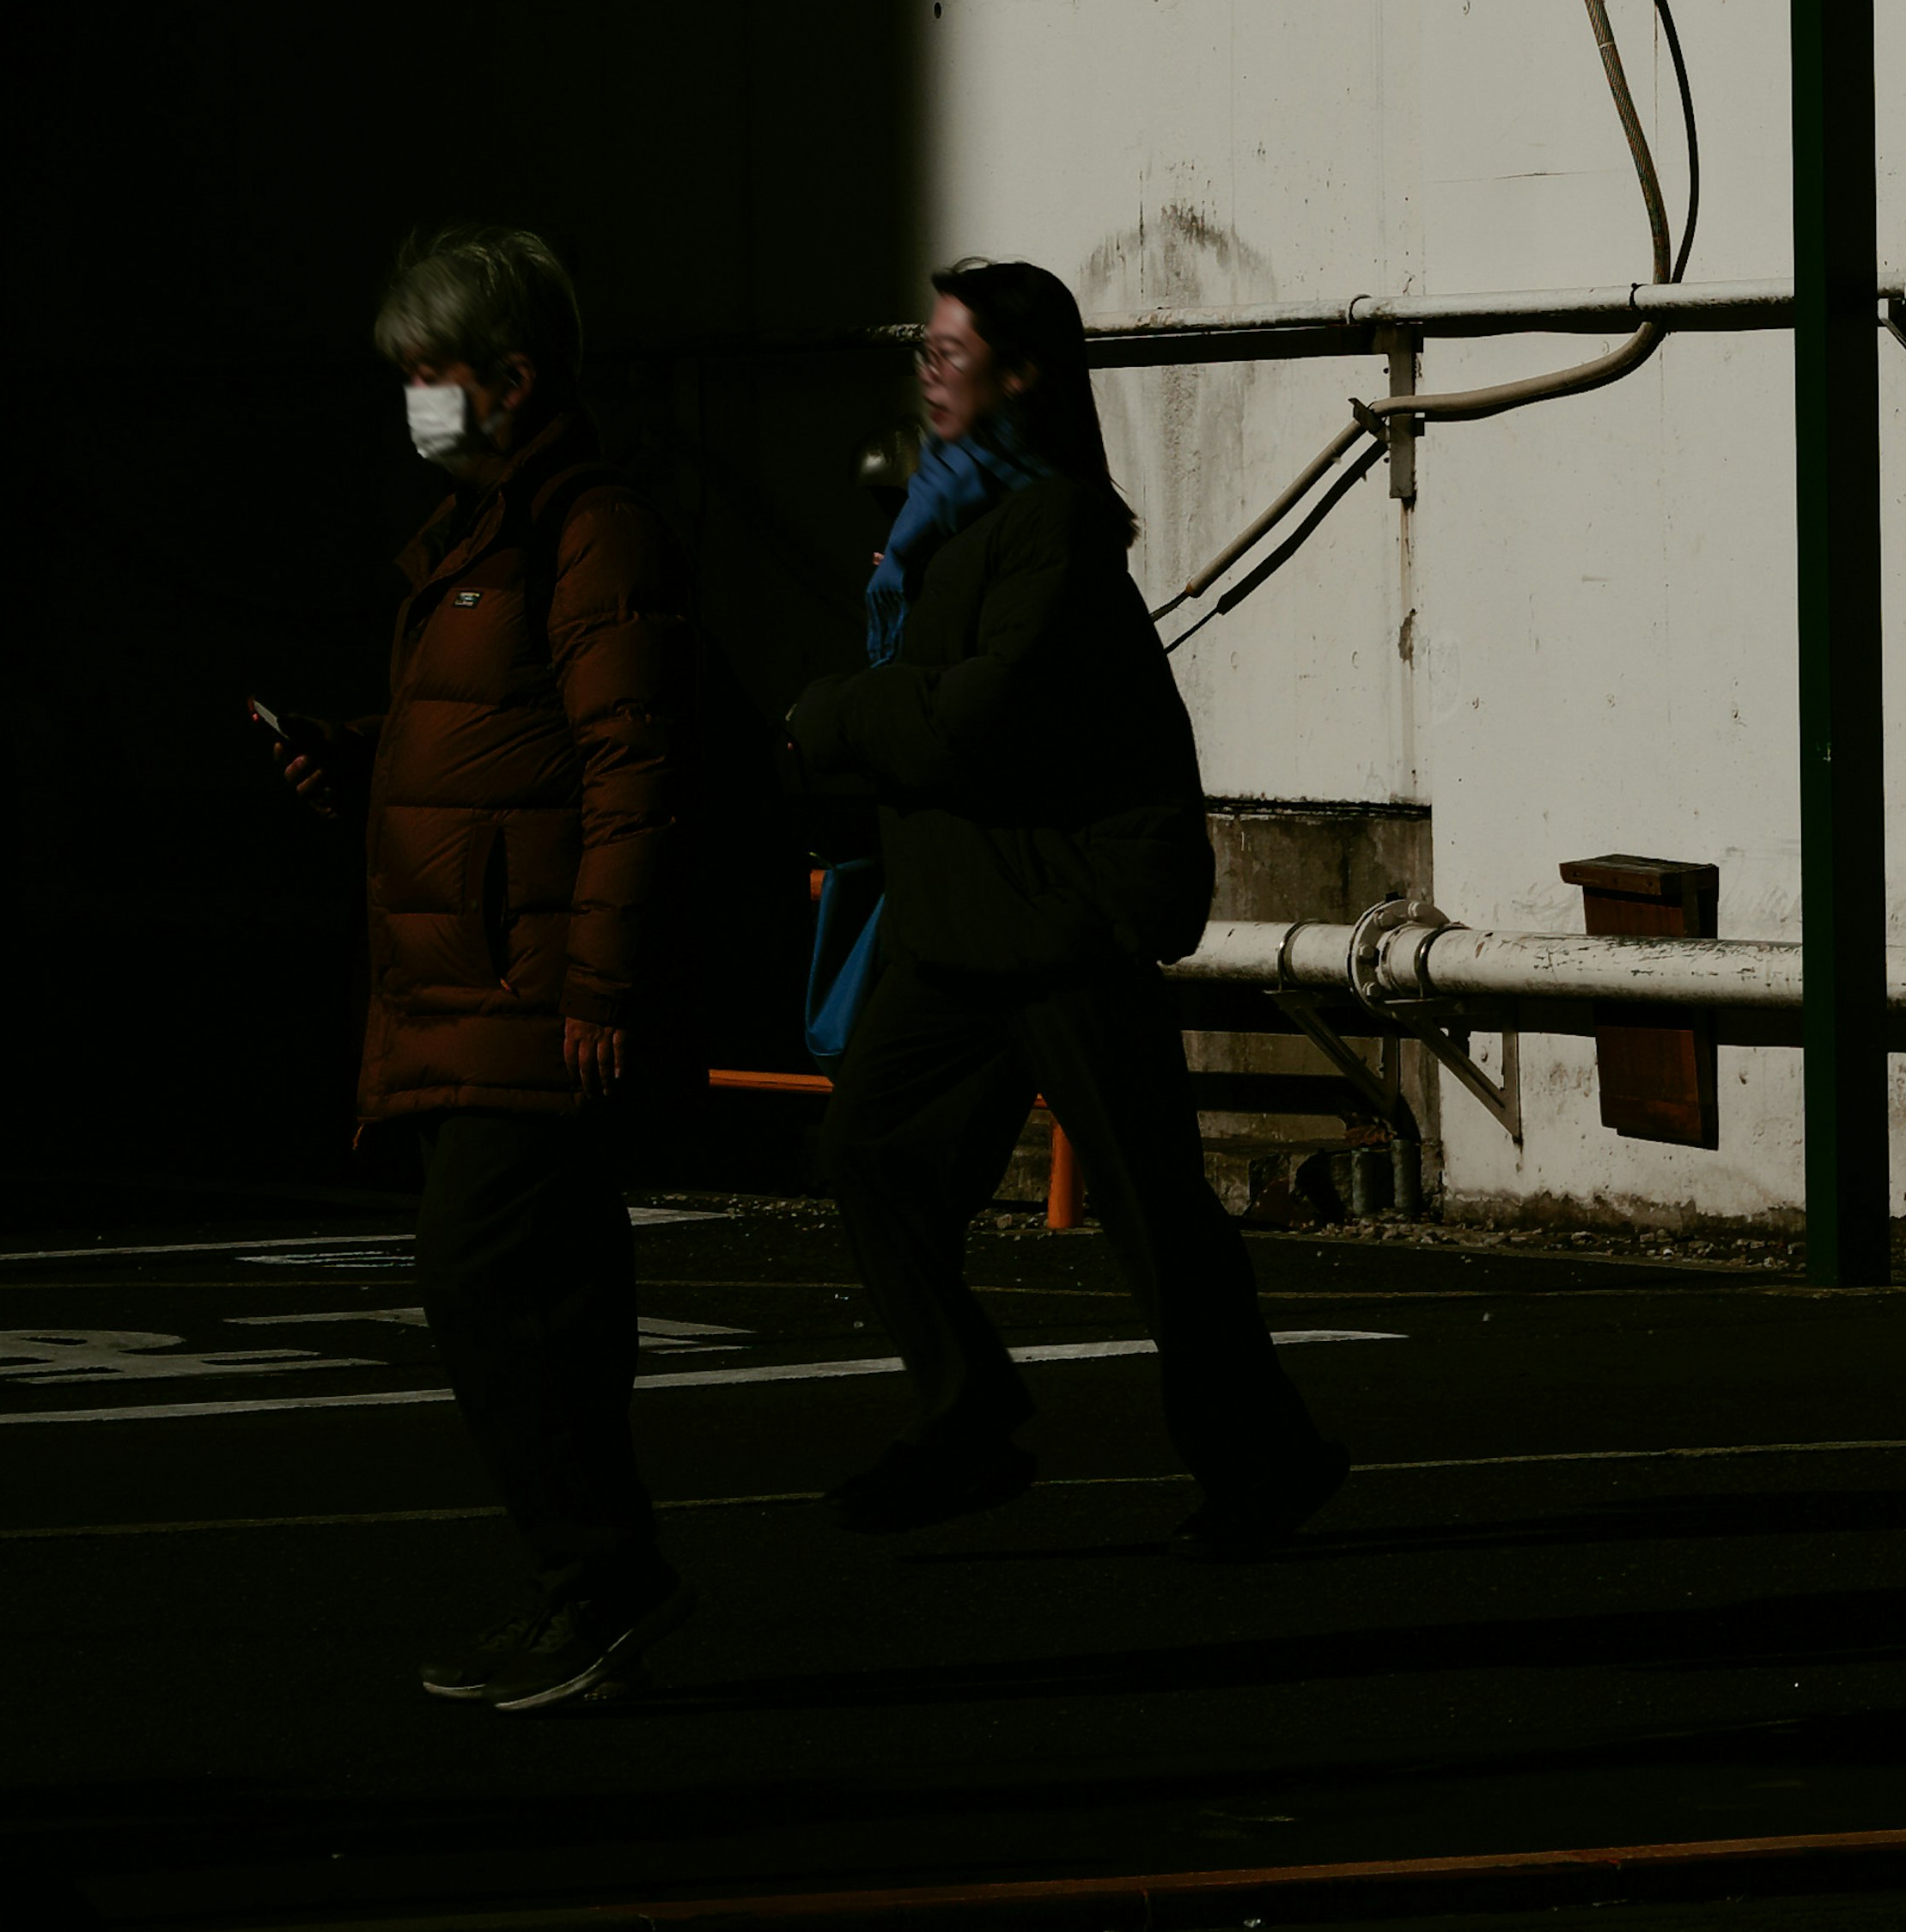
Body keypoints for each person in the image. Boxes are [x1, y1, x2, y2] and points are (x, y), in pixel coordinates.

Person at [784, 256, 1349, 1558]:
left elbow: (972, 718)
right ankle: (968, 1409)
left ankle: (1262, 1457)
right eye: (922, 346)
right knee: (869, 1148)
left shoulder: (1050, 526)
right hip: (968, 924)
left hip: (1059, 921)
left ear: (1023, 372)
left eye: (951, 347)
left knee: (1154, 1205)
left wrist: (831, 717)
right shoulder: (938, 522)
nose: (927, 364)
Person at [261, 222, 697, 1710]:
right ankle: (592, 1586)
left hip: (527, 994)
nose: (415, 401)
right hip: (476, 987)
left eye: (432, 375)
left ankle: (605, 1581)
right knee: (535, 1296)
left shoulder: (584, 527)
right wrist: (364, 756)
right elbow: (497, 741)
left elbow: (631, 762)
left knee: (494, 1281)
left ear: (511, 378)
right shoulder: (484, 535)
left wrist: (599, 983)